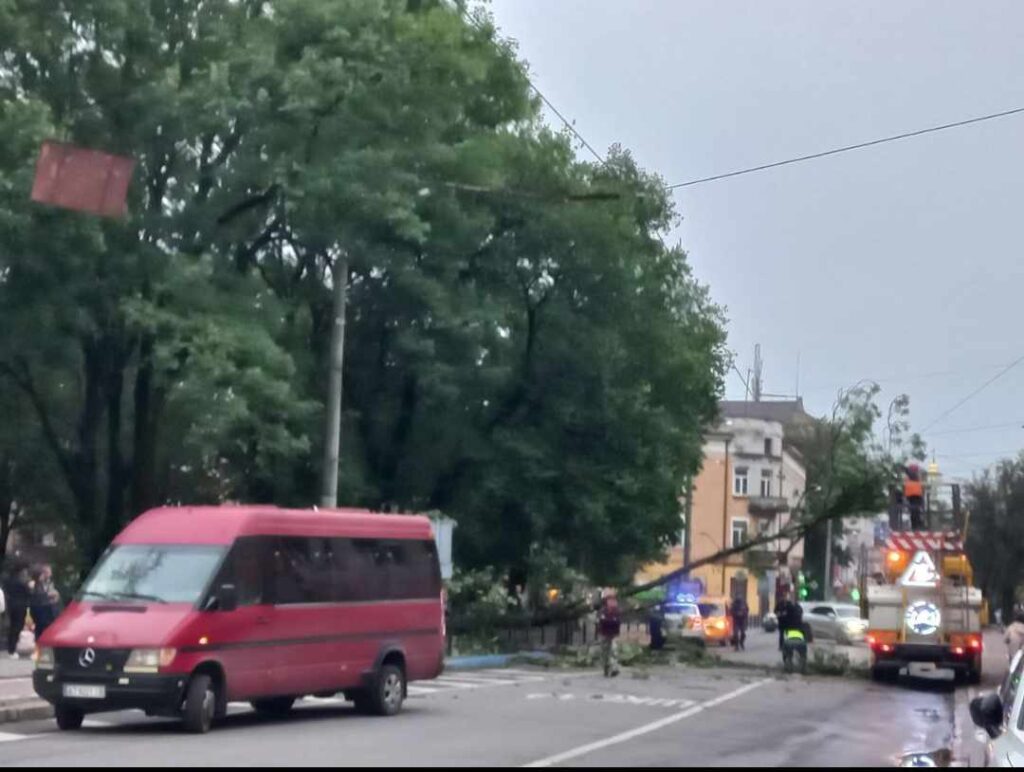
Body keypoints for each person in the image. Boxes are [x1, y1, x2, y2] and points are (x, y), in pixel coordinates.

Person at [2, 565, 31, 659]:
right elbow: (28, 593)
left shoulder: (8, 581)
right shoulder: (22, 583)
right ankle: (12, 649)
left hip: (9, 606)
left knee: (11, 628)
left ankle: (10, 648)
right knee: (17, 628)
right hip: (20, 608)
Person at [28, 564, 60, 643]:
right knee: (41, 628)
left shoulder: (46, 583)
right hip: (40, 609)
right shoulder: (34, 584)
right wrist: (50, 595)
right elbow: (39, 596)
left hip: (46, 608)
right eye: (44, 573)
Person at [597, 589, 621, 677]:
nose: (612, 602)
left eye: (614, 600)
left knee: (614, 650)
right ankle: (606, 667)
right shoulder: (603, 611)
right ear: (606, 602)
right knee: (605, 652)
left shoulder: (617, 611)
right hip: (604, 633)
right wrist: (610, 620)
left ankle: (614, 668)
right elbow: (602, 621)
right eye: (610, 600)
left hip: (614, 633)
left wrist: (609, 620)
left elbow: (617, 621)